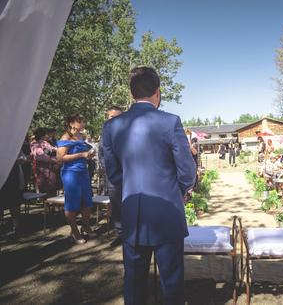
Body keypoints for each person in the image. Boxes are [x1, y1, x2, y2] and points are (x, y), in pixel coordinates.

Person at [102, 66, 196, 305]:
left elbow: (113, 175)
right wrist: (180, 191)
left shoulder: (112, 127)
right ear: (158, 92)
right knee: (171, 283)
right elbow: (187, 171)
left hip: (132, 212)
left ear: (132, 93)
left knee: (133, 283)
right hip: (167, 211)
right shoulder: (170, 121)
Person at [57, 114, 96, 245]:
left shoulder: (80, 137)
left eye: (83, 121)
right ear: (72, 123)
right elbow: (61, 158)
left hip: (83, 172)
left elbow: (84, 154)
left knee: (87, 201)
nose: (83, 123)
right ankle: (74, 231)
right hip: (71, 174)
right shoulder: (65, 137)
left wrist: (89, 155)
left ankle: (85, 226)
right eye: (81, 121)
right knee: (73, 203)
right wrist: (81, 154)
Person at [98, 105, 123, 247]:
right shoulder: (105, 132)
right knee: (116, 206)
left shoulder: (127, 132)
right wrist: (108, 169)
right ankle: (120, 233)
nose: (113, 119)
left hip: (130, 176)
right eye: (111, 117)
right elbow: (101, 153)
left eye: (117, 117)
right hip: (112, 176)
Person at [30, 127, 59, 193]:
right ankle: (45, 200)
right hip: (41, 168)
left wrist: (61, 150)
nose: (47, 135)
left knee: (52, 185)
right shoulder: (34, 144)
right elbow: (40, 155)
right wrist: (52, 160)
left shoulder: (45, 143)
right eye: (45, 134)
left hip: (50, 168)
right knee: (43, 185)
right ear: (42, 135)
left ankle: (51, 200)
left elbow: (54, 149)